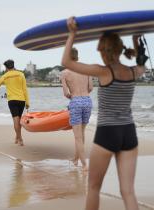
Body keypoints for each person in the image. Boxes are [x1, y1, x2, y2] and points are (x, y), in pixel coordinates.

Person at [61, 17, 147, 210]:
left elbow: (66, 61)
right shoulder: (133, 72)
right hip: (129, 132)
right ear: (119, 50)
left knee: (93, 188)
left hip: (108, 132)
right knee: (128, 192)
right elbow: (142, 64)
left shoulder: (103, 71)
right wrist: (136, 42)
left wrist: (72, 33)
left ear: (103, 51)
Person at [60, 47, 93, 171]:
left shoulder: (64, 73)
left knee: (78, 137)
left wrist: (72, 96)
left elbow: (66, 93)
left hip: (76, 101)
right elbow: (90, 88)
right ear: (77, 56)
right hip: (87, 101)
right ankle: (76, 158)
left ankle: (84, 165)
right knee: (82, 133)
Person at [0, 59, 30, 146]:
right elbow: (25, 90)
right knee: (19, 120)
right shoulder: (21, 74)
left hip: (12, 101)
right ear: (13, 65)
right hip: (21, 100)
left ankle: (20, 139)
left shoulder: (5, 76)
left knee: (16, 120)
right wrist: (27, 102)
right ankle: (17, 137)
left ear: (6, 67)